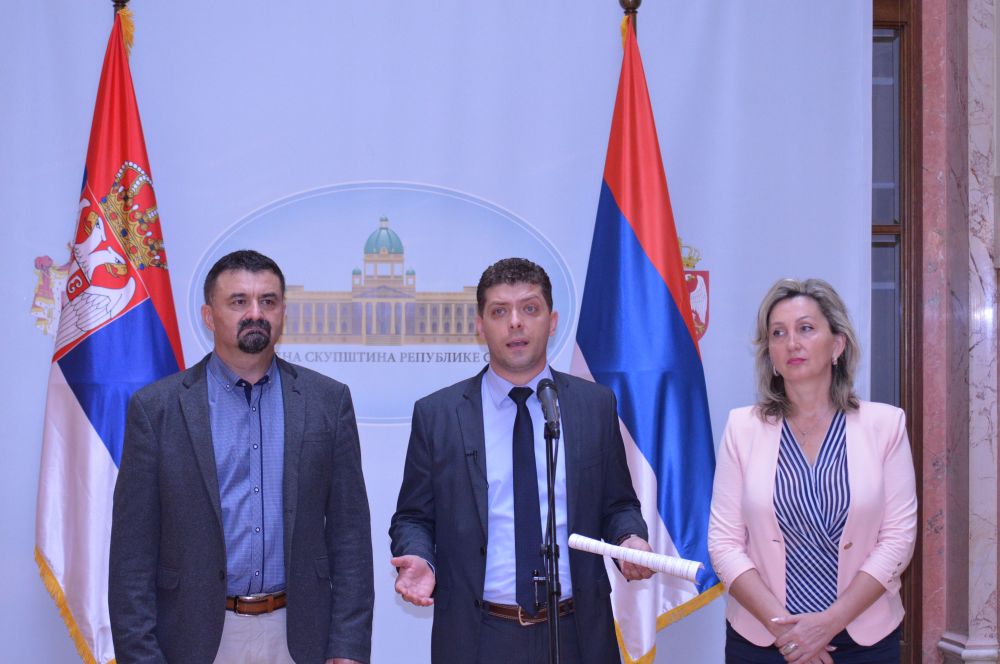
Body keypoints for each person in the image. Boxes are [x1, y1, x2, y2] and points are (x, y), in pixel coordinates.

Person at [109, 250, 374, 664]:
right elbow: (132, 554)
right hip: (196, 640)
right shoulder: (157, 409)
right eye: (238, 301)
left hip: (300, 638)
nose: (255, 313)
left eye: (268, 301)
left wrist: (348, 648)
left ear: (283, 312)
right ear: (208, 316)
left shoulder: (327, 401)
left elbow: (350, 536)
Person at [389, 257, 654, 664]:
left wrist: (629, 539)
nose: (515, 323)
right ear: (480, 326)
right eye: (499, 312)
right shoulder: (438, 414)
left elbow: (618, 504)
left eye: (530, 308)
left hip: (577, 633)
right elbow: (412, 518)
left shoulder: (594, 406)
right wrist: (421, 558)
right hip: (479, 637)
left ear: (553, 321)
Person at [708, 278, 918, 664]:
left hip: (863, 639)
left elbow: (897, 541)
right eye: (778, 333)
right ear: (770, 355)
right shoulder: (742, 428)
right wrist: (788, 631)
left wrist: (827, 624)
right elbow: (724, 544)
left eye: (806, 328)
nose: (792, 343)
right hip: (764, 637)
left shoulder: (886, 426)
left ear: (837, 345)